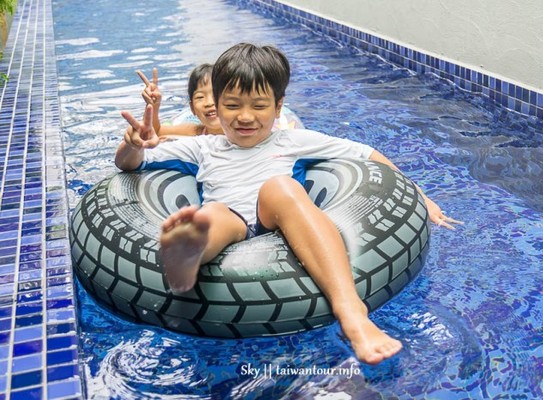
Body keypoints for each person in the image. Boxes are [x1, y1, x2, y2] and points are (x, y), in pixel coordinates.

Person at [116, 43, 461, 365]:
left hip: (273, 217)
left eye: (259, 106)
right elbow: (131, 164)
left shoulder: (294, 140)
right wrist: (133, 144)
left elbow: (365, 153)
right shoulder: (202, 147)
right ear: (216, 107)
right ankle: (186, 256)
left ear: (278, 107)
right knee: (211, 215)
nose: (245, 116)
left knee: (281, 187)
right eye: (232, 105)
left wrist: (420, 194)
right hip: (231, 222)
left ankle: (352, 313)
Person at [138, 64, 222, 136]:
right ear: (192, 109)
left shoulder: (235, 135)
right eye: (200, 97)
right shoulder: (195, 131)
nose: (209, 103)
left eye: (215, 95)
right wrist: (153, 105)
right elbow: (156, 132)